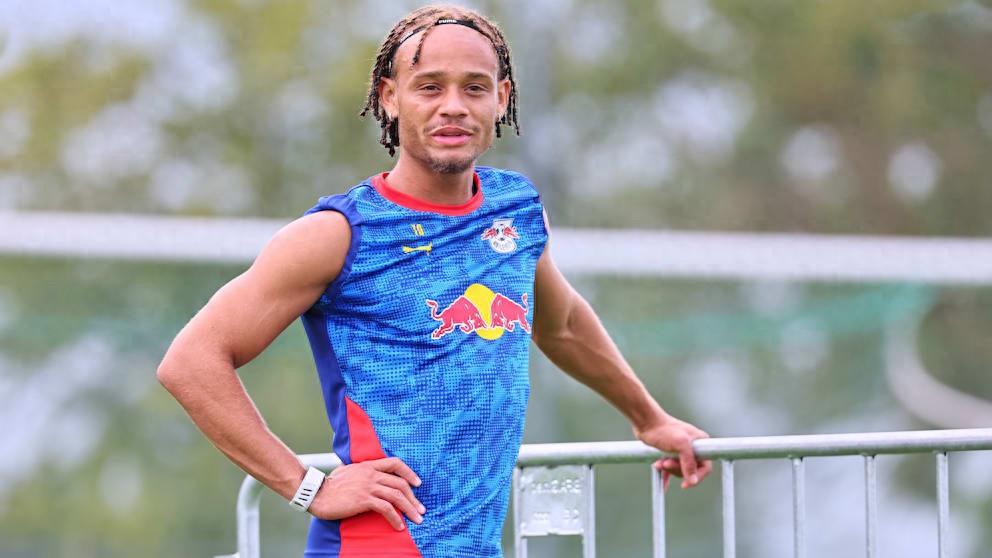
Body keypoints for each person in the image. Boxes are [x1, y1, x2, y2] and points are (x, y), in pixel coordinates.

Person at [156, 4, 712, 557]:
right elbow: (191, 362)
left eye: (475, 87)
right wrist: (309, 487)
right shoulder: (338, 233)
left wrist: (650, 419)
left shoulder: (516, 210)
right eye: (429, 87)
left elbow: (561, 325)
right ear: (389, 97)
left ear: (501, 98)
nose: (453, 106)